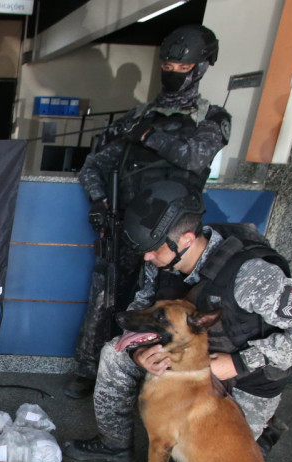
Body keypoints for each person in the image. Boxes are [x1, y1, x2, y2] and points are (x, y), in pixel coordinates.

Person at [62, 181, 292, 462]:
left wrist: (238, 363)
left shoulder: (251, 276)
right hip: (184, 357)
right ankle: (115, 445)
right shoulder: (162, 260)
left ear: (187, 240)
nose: (148, 256)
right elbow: (141, 307)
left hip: (242, 379)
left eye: (154, 249)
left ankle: (262, 434)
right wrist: (138, 350)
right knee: (115, 353)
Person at [69, 25, 229, 400]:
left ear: (202, 67)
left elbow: (197, 157)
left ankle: (150, 372)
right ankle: (93, 370)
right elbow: (94, 165)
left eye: (182, 66)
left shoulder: (211, 118)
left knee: (160, 307)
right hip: (126, 225)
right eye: (168, 64)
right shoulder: (138, 115)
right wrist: (99, 200)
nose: (173, 71)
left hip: (174, 236)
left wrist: (147, 136)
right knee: (106, 297)